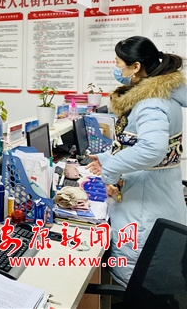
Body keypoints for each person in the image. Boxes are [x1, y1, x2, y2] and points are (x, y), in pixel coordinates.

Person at [86, 36, 186, 286]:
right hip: (153, 196)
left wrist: (110, 170)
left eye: (119, 63)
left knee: (138, 282)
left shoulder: (152, 103)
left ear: (136, 67)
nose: (116, 68)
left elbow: (152, 149)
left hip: (144, 211)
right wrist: (107, 158)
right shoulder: (162, 95)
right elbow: (141, 147)